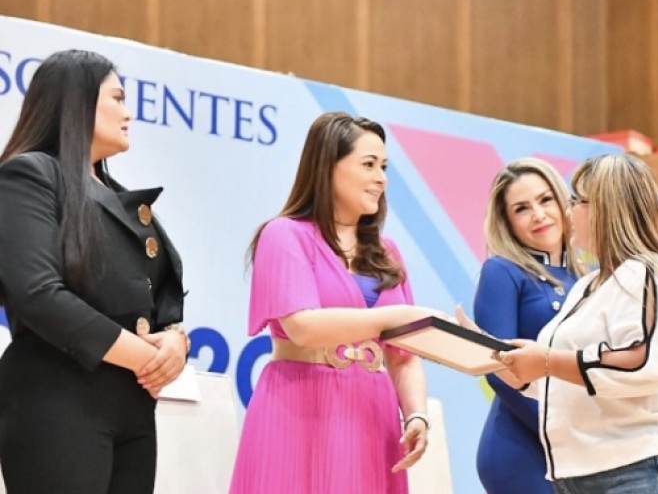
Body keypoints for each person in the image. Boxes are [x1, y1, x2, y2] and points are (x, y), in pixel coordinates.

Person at [0, 50, 190, 494]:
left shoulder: (121, 198)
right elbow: (37, 294)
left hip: (132, 406)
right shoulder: (29, 174)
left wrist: (176, 342)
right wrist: (146, 358)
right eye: (117, 98)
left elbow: (157, 299)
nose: (128, 113)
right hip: (56, 397)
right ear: (78, 101)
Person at [229, 111, 442, 494]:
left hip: (373, 415)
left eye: (384, 167)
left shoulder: (388, 252)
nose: (381, 178)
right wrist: (396, 316)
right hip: (298, 409)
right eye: (368, 164)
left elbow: (403, 356)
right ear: (328, 166)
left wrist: (416, 414)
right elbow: (303, 328)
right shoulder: (284, 234)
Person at [493, 154, 658, 493]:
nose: (568, 212)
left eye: (577, 201)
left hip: (650, 468)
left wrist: (546, 361)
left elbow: (643, 363)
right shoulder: (588, 285)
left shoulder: (647, 272)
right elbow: (575, 381)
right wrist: (518, 370)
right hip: (593, 476)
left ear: (606, 209)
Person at [470, 158, 583, 494]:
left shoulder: (587, 276)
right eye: (522, 208)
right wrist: (557, 431)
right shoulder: (502, 272)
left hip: (579, 443)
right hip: (522, 448)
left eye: (545, 200)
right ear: (507, 222)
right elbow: (497, 368)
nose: (538, 214)